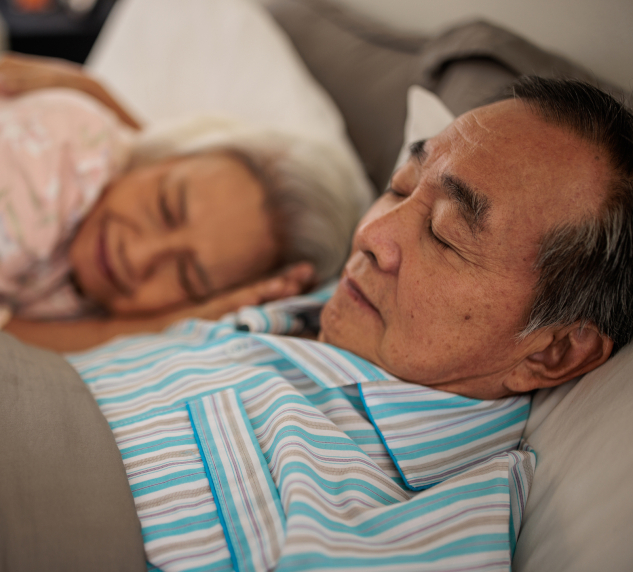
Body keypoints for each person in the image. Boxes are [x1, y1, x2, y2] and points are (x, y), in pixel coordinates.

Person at [61, 75, 631, 570]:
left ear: (551, 353)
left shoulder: (407, 528)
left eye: (446, 233)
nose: (371, 237)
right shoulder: (312, 305)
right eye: (400, 188)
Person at [0, 55, 366, 350]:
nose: (138, 255)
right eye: (165, 205)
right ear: (158, 158)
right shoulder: (60, 144)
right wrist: (132, 329)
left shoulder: (158, 283)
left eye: (185, 276)